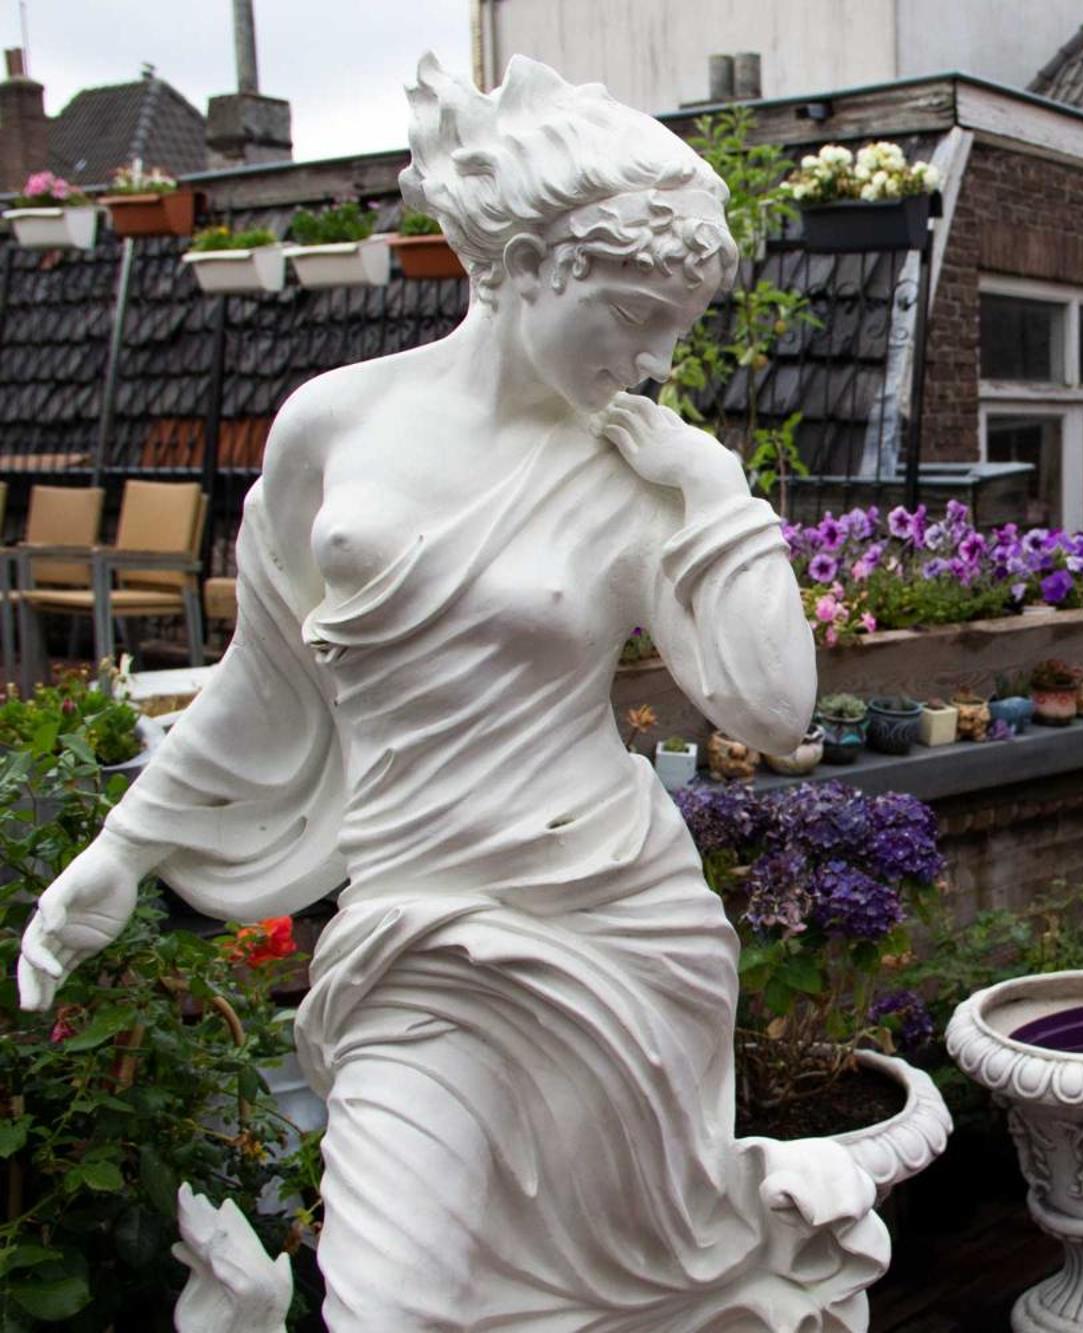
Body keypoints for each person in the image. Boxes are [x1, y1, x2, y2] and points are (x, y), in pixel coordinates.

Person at [15, 54, 889, 1329]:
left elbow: (771, 710)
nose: (654, 361)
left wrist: (714, 491)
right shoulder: (334, 427)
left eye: (677, 329)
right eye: (634, 315)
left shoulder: (640, 468)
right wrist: (121, 850)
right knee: (395, 1304)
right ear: (528, 262)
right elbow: (267, 682)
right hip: (412, 940)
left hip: (617, 930)